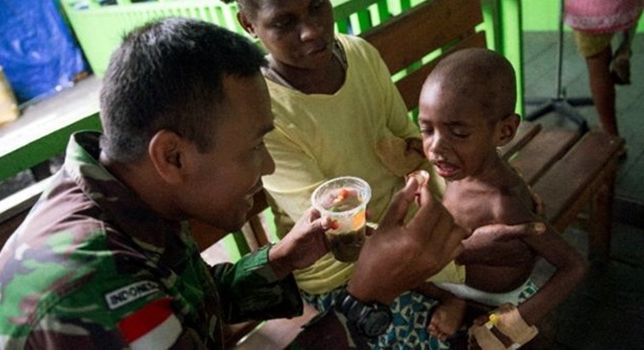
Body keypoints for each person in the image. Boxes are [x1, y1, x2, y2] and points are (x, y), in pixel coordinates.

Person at [0, 17, 470, 349]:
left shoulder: (129, 194)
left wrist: (282, 259)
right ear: (172, 156)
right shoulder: (88, 290)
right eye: (253, 148)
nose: (265, 167)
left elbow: (190, 302)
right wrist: (363, 299)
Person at [228, 0, 546, 348]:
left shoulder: (359, 55)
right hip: (343, 268)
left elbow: (415, 149)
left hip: (412, 223)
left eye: (318, 6)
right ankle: (460, 299)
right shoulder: (264, 111)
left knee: (524, 311)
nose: (312, 30)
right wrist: (458, 250)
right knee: (481, 331)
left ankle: (461, 298)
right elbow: (340, 231)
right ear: (248, 24)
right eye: (285, 22)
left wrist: (486, 191)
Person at [415, 47, 588, 348]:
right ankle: (452, 301)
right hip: (454, 279)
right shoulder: (461, 168)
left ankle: (457, 304)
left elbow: (574, 265)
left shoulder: (502, 202)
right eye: (427, 129)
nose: (435, 149)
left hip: (492, 300)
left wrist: (512, 324)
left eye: (458, 133)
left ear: (505, 131)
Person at [564, 0, 643, 137]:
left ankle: (610, 134)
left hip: (590, 10)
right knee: (627, 15)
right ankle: (625, 49)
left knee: (597, 63)